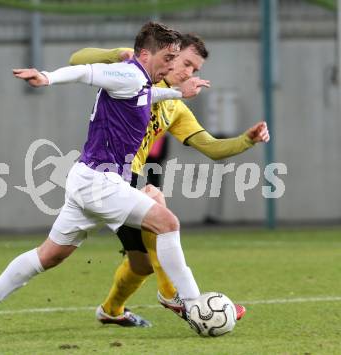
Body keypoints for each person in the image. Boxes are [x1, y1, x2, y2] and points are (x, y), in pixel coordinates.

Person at [0, 22, 211, 336]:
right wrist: (47, 77)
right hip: (100, 183)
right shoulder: (128, 73)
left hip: (89, 179)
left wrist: (177, 92)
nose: (173, 65)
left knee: (48, 256)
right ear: (144, 54)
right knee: (168, 223)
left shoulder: (140, 81)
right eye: (168, 57)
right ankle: (194, 303)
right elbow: (85, 71)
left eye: (176, 59)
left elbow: (146, 93)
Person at [69, 34, 270, 327]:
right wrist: (117, 53)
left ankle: (111, 311)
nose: (189, 73)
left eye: (195, 69)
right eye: (186, 63)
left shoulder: (175, 107)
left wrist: (246, 140)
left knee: (141, 264)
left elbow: (213, 148)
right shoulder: (133, 75)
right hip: (104, 173)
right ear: (169, 56)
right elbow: (76, 60)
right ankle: (175, 295)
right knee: (156, 200)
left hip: (126, 178)